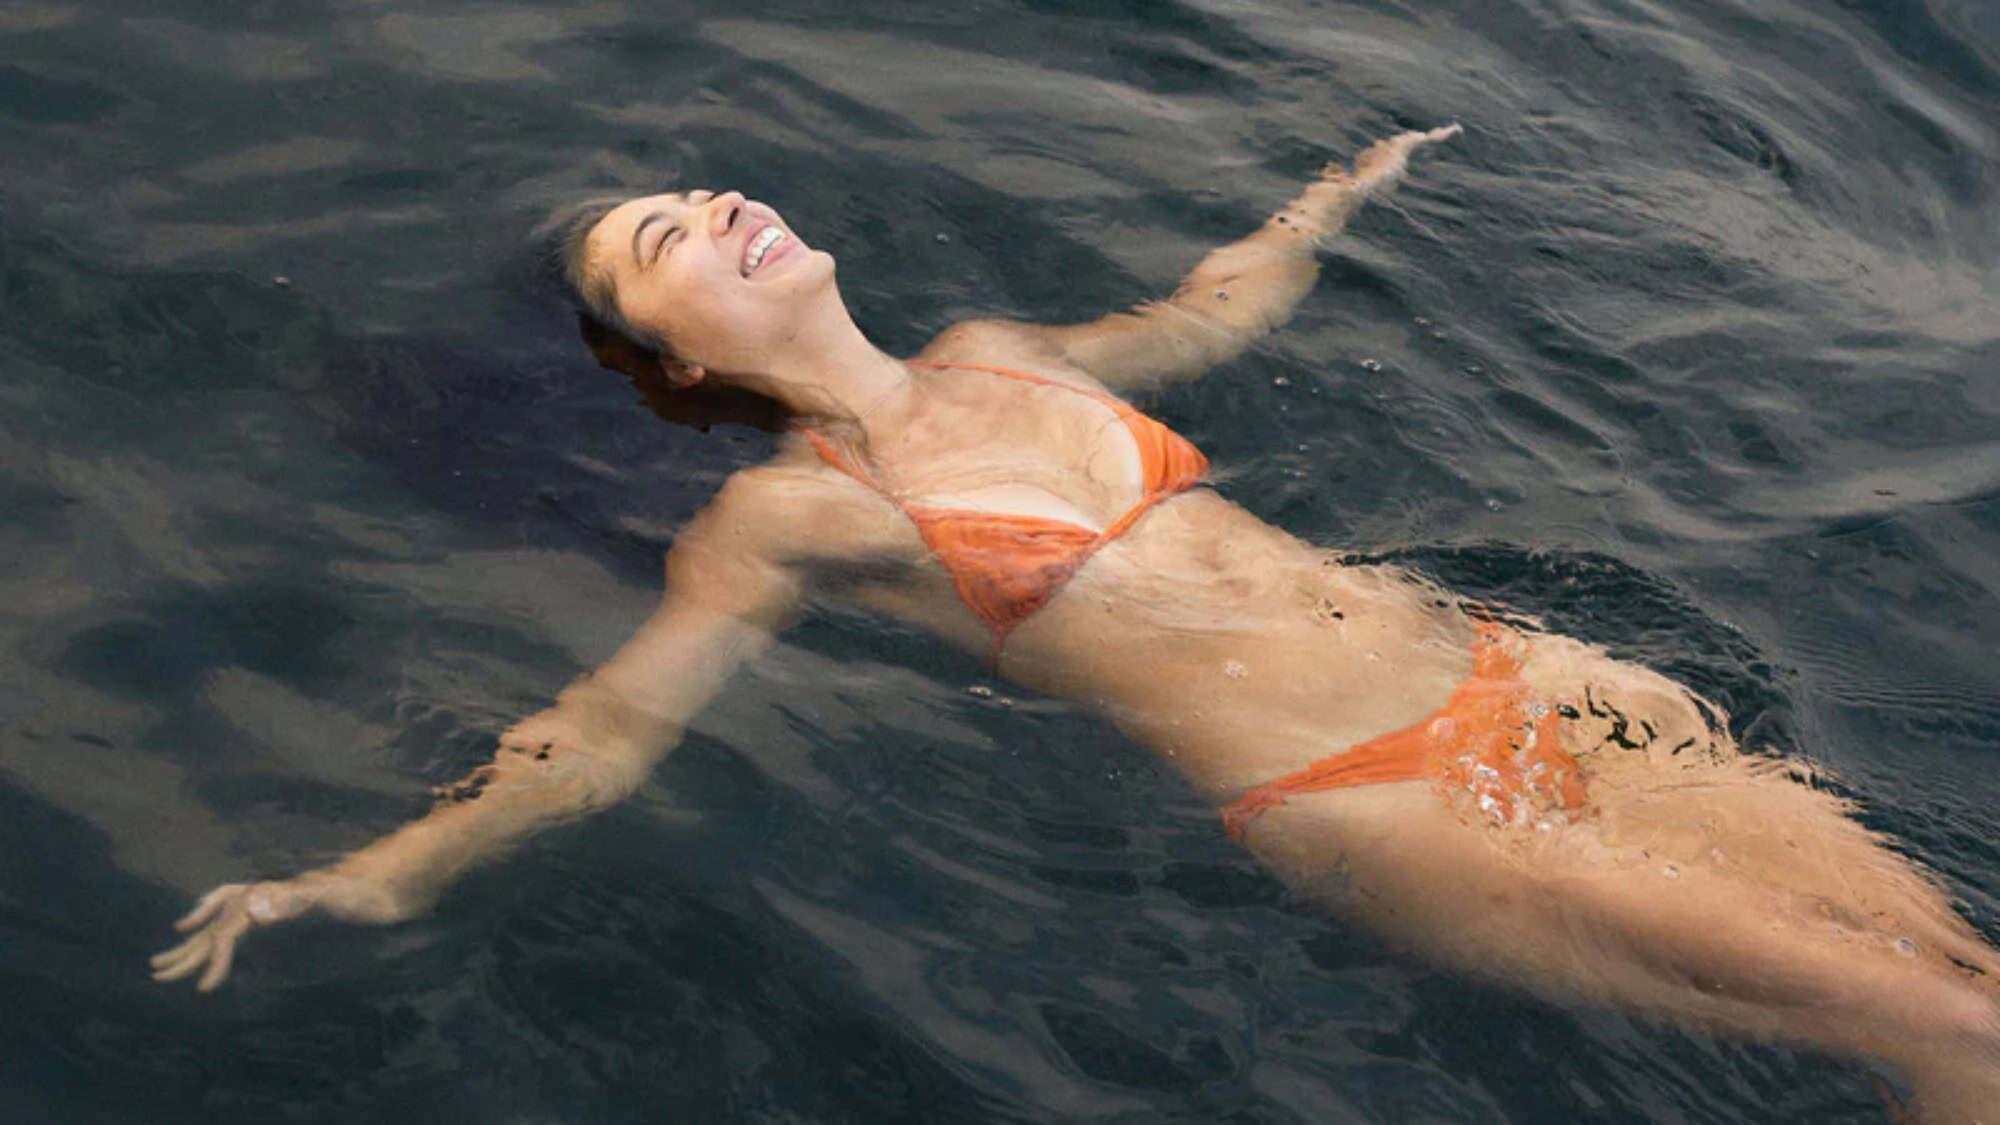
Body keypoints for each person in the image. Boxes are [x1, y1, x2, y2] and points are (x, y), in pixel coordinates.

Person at [152, 126, 2000, 1119]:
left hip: (1539, 686)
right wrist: (369, 876)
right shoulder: (788, 515)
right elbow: (611, 726)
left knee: (1977, 999)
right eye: (663, 241)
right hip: (1385, 794)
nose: (712, 206)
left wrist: (1337, 194)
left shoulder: (999, 355)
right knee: (1951, 1037)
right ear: (679, 360)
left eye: (697, 190)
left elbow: (1211, 315)